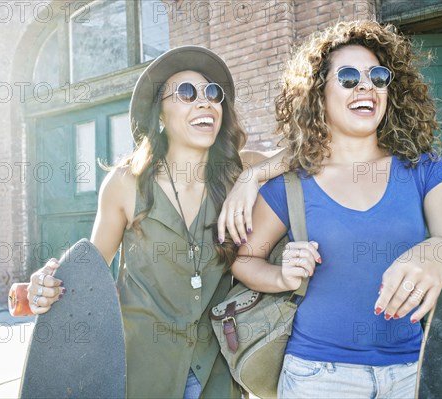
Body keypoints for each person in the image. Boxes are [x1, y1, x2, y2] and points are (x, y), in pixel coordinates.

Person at [230, 20, 442, 398]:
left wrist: (439, 249)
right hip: (317, 378)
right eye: (348, 77)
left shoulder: (423, 168)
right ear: (318, 95)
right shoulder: (291, 184)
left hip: (412, 373)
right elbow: (244, 260)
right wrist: (281, 277)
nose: (367, 86)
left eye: (378, 76)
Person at [25, 46, 283, 398]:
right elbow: (88, 273)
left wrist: (254, 177)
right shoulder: (124, 183)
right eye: (186, 93)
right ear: (160, 112)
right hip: (143, 371)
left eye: (213, 93)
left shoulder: (237, 170)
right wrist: (46, 282)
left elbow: (314, 150)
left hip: (219, 370)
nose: (205, 102)